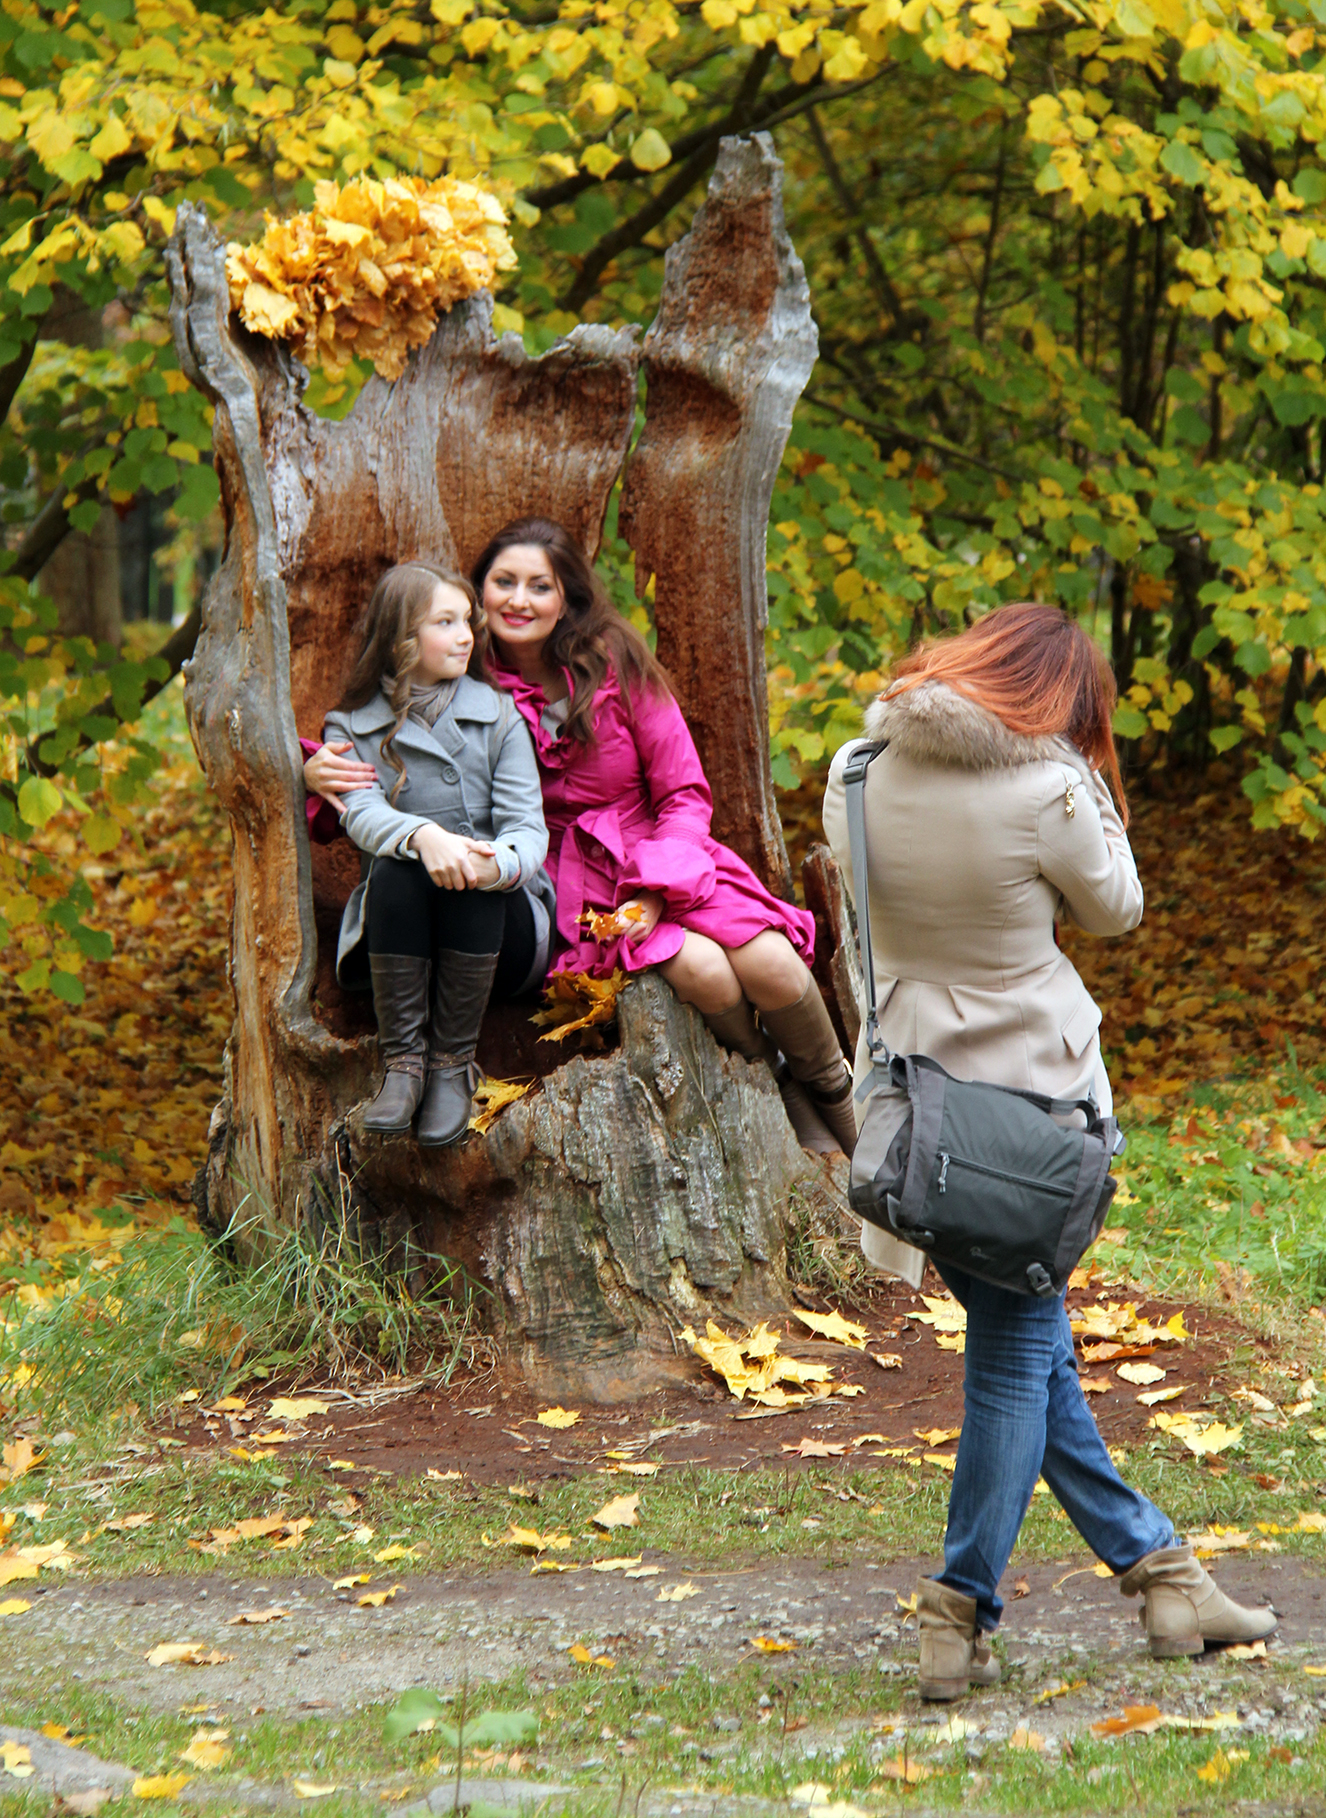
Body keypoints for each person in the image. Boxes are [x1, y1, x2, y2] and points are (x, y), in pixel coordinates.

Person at [822, 602, 1276, 1700]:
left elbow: (857, 916)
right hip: (1034, 1112)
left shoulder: (856, 770)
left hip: (921, 1111)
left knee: (1030, 1339)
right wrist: (1084, 775)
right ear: (1061, 701)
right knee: (1017, 1354)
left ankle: (1163, 1572)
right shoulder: (1051, 788)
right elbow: (1116, 911)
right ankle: (957, 1604)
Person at [306, 517, 856, 1154]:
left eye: (539, 586)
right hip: (570, 876)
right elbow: (393, 725)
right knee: (706, 973)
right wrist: (311, 764)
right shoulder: (465, 669)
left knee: (771, 964)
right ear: (478, 594)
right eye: (503, 582)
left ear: (566, 596)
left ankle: (840, 1102)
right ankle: (775, 1078)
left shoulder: (615, 664)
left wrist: (655, 890)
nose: (519, 600)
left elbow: (683, 793)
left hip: (661, 849)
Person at [319, 561, 549, 1147]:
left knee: (470, 878)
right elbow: (362, 813)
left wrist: (491, 863)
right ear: (401, 637)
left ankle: (451, 1065)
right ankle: (404, 1065)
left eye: (467, 621)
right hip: (403, 929)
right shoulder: (350, 724)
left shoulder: (498, 716)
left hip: (501, 930)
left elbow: (528, 826)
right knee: (397, 868)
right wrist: (424, 837)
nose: (466, 635)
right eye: (444, 622)